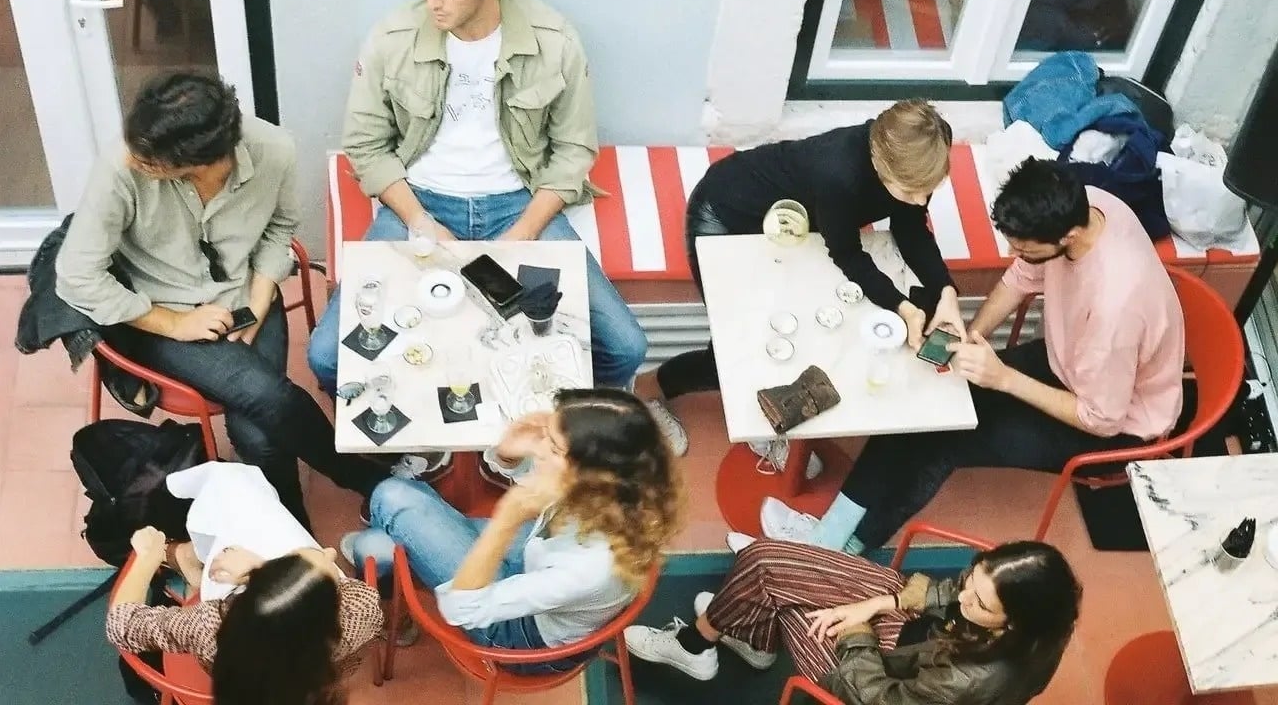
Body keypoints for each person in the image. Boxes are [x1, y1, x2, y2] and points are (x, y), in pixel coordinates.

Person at [304, 0, 681, 450]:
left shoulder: (553, 38)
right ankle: (403, 447)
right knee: (327, 355)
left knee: (625, 345)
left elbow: (573, 150)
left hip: (521, 203)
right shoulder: (392, 38)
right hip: (422, 203)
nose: (432, 0)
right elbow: (366, 146)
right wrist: (419, 219)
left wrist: (524, 232)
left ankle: (572, 429)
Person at [759, 159, 1185, 554]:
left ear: (1066, 238)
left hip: (1115, 420)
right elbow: (1020, 278)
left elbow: (1101, 418)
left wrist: (1002, 378)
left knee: (943, 440)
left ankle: (844, 552)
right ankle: (827, 538)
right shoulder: (1088, 204)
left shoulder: (1114, 306)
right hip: (1070, 362)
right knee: (920, 407)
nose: (1017, 256)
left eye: (1025, 249)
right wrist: (966, 334)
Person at [55, 71, 388, 530]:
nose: (137, 160)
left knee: (257, 432)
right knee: (264, 395)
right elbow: (75, 277)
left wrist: (261, 294)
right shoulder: (123, 167)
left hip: (245, 292)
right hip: (160, 313)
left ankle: (292, 542)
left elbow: (280, 226)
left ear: (203, 161)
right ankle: (362, 480)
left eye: (152, 162)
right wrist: (173, 323)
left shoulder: (274, 150)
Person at [633, 99, 964, 469]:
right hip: (727, 215)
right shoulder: (838, 173)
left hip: (795, 224)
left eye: (928, 189)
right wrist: (903, 306)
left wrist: (946, 291)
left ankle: (770, 404)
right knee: (736, 346)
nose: (920, 200)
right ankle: (649, 388)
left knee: (806, 327)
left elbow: (911, 224)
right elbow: (848, 254)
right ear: (879, 164)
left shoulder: (923, 154)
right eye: (908, 191)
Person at [342, 388, 683, 671]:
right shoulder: (623, 490)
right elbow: (536, 482)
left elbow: (461, 609)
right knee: (380, 541)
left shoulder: (588, 567)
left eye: (552, 447)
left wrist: (508, 518)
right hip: (539, 565)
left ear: (592, 474)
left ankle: (385, 577)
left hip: (521, 640)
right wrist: (507, 454)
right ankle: (385, 551)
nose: (540, 451)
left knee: (391, 497)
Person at [623, 538, 1081, 704]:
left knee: (777, 600)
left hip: (873, 677)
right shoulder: (1027, 604)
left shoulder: (966, 681)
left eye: (979, 601)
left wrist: (858, 630)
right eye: (972, 577)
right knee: (761, 559)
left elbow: (878, 698)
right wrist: (878, 604)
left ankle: (699, 644)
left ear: (1012, 625)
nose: (963, 595)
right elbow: (950, 595)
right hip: (912, 633)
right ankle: (732, 639)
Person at [106, 525, 383, 705]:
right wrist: (261, 571)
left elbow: (121, 624)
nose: (332, 550)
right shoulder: (361, 610)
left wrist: (148, 556)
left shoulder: (208, 626)